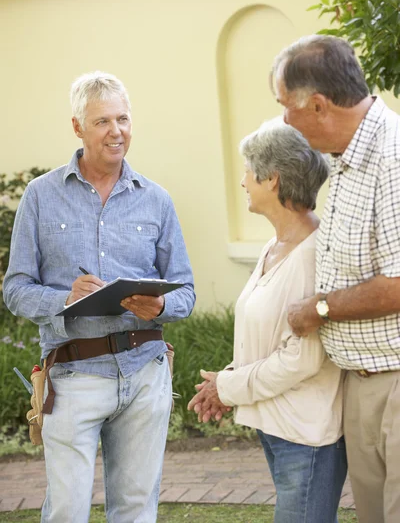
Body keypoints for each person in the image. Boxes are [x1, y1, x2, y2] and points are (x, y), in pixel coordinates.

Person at [3, 71, 195, 523]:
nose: (117, 131)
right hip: (72, 375)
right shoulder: (40, 197)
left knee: (135, 510)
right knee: (67, 511)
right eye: (103, 121)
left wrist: (161, 305)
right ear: (77, 128)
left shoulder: (157, 200)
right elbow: (15, 289)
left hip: (145, 371)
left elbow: (185, 290)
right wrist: (63, 299)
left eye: (123, 119)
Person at [188, 118, 347, 523]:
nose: (243, 181)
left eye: (247, 171)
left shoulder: (314, 255)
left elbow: (303, 359)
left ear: (272, 178)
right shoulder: (274, 247)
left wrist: (228, 387)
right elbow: (268, 336)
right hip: (279, 429)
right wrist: (225, 380)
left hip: (307, 435)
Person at [271, 34, 400, 523]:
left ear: (319, 105)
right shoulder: (344, 157)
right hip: (364, 383)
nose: (285, 119)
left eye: (287, 106)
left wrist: (319, 309)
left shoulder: (391, 159)